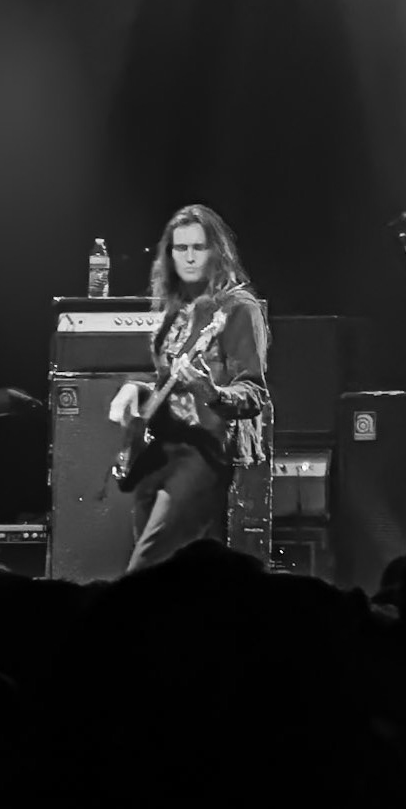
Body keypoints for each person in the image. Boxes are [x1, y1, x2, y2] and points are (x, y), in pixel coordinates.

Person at [108, 203, 271, 573]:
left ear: (217, 252)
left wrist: (210, 391)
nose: (190, 257)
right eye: (181, 248)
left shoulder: (238, 309)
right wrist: (136, 390)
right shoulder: (175, 308)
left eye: (199, 247)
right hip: (156, 454)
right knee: (171, 577)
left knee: (145, 568)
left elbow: (254, 393)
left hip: (202, 454)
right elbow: (167, 383)